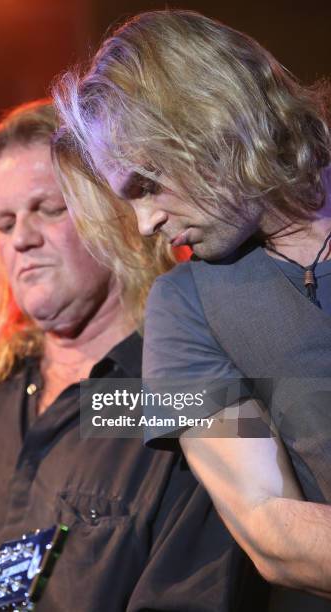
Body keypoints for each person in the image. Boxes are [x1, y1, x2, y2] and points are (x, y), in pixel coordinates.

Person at [0, 99, 269, 612]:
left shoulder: (193, 387)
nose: (22, 239)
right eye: (5, 224)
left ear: (116, 215)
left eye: (49, 209)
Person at [53, 9, 331, 606]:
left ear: (208, 121)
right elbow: (272, 528)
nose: (146, 222)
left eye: (147, 183)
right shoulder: (186, 306)